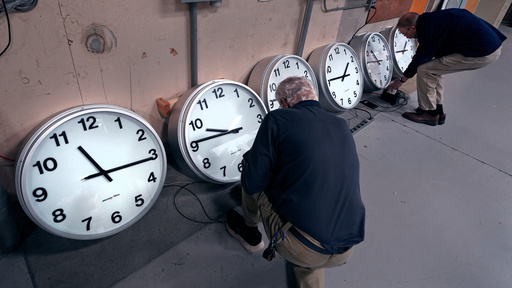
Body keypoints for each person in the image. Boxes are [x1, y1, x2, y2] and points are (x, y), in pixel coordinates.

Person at [225, 76, 366, 288]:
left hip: (302, 246)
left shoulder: (277, 119)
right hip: (347, 247)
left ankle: (250, 234)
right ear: (314, 97)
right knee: (312, 244)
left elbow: (254, 183)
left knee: (250, 164)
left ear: (284, 103)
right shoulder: (341, 124)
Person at [386, 9, 507, 126]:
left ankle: (430, 114)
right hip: (490, 46)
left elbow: (421, 57)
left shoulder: (429, 28)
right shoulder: (432, 20)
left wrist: (402, 80)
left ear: (412, 28)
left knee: (425, 70)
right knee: (433, 70)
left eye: (405, 34)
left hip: (483, 52)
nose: (407, 37)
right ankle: (438, 111)